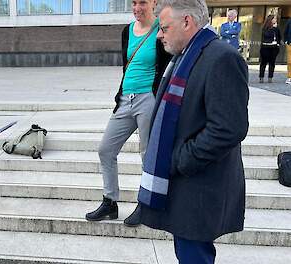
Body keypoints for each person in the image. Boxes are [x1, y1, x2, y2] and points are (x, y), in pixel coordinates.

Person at [134, 0, 249, 263]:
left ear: (187, 22)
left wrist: (178, 159)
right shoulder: (187, 56)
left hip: (200, 188)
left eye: (164, 27)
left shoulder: (222, 58)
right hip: (186, 187)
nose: (160, 35)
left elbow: (228, 129)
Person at [85, 0, 171, 226]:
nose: (137, 7)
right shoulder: (127, 31)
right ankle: (110, 202)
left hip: (148, 99)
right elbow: (127, 66)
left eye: (142, 2)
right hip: (125, 99)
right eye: (133, 2)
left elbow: (166, 67)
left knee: (147, 155)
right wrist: (122, 93)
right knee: (105, 149)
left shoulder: (161, 30)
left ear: (154, 3)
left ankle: (147, 205)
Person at [259, 14, 282, 83]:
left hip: (274, 47)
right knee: (263, 63)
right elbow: (267, 36)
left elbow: (279, 36)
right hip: (265, 47)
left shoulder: (276, 28)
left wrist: (278, 44)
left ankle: (270, 77)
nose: (275, 20)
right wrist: (273, 29)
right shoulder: (265, 28)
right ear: (270, 20)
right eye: (274, 19)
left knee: (272, 63)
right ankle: (261, 77)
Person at [284, 19, 291, 85]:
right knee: (289, 61)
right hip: (290, 44)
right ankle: (289, 77)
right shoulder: (289, 21)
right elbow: (285, 31)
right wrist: (286, 41)